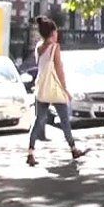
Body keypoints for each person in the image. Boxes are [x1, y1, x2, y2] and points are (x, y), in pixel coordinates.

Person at [27, 16, 88, 166]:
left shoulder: (39, 47)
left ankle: (30, 152)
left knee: (39, 120)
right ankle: (73, 148)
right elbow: (59, 69)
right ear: (52, 33)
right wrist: (65, 89)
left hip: (41, 88)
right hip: (54, 89)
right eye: (55, 32)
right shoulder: (55, 47)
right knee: (64, 120)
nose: (57, 34)